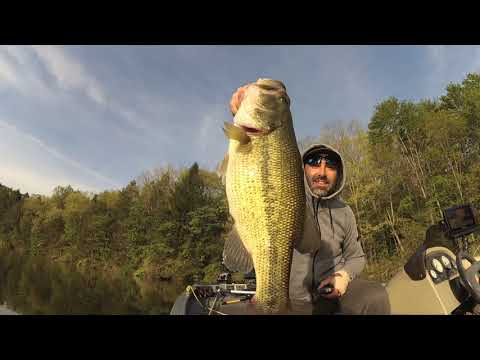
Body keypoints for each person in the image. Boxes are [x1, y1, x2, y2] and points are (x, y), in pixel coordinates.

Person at [228, 83, 390, 315]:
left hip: (329, 298)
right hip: (290, 296)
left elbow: (357, 257)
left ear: (339, 173)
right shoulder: (287, 193)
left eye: (330, 165)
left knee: (376, 296)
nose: (321, 171)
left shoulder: (345, 212)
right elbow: (247, 148)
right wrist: (240, 109)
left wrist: (343, 276)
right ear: (301, 168)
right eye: (314, 163)